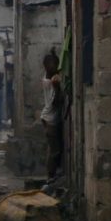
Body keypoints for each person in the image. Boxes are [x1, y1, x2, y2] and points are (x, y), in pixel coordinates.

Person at [41, 49, 63, 181]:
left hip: (49, 118)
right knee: (55, 150)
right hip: (50, 119)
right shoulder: (50, 82)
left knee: (52, 148)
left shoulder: (46, 78)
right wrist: (57, 87)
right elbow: (54, 102)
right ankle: (51, 176)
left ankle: (51, 175)